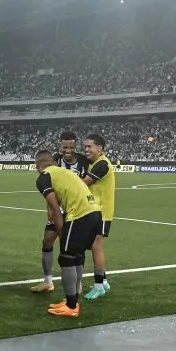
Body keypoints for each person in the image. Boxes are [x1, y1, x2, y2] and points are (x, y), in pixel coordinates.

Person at [34, 150, 103, 318]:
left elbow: (55, 209)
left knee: (66, 257)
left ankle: (71, 306)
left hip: (79, 215)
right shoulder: (65, 172)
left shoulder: (44, 177)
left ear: (38, 167)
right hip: (95, 213)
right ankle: (72, 300)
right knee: (77, 256)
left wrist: (61, 232)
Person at [31, 131, 91, 294]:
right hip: (58, 208)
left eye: (71, 146)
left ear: (75, 146)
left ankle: (78, 283)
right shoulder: (54, 160)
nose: (68, 150)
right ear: (60, 146)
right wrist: (49, 208)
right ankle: (48, 281)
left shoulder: (84, 161)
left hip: (76, 209)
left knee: (75, 248)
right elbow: (48, 187)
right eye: (65, 146)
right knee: (47, 241)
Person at [82, 133, 115, 300]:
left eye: (90, 146)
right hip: (95, 210)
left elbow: (84, 183)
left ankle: (99, 286)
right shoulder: (95, 163)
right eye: (85, 146)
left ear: (99, 148)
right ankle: (104, 281)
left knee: (96, 247)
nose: (86, 149)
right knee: (94, 246)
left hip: (102, 212)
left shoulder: (102, 164)